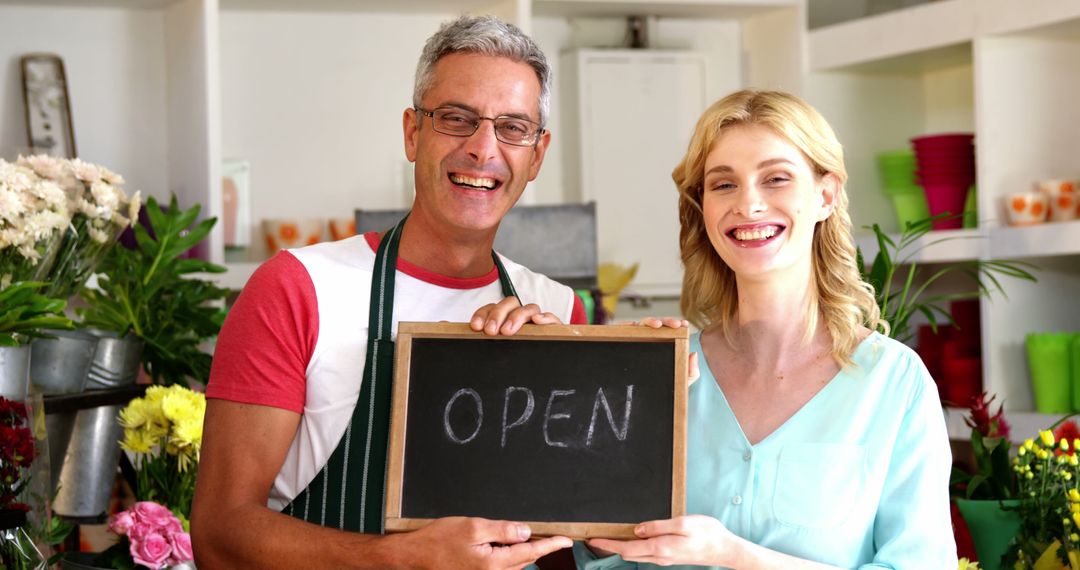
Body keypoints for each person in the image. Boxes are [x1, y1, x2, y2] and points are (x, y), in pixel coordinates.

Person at [191, 15, 585, 569]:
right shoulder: (299, 287)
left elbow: (577, 536)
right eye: (456, 118)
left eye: (513, 128)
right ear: (412, 132)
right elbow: (218, 534)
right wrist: (400, 558)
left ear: (536, 156)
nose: (483, 148)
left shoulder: (562, 311)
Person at [575, 90, 956, 569]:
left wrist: (733, 555)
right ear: (703, 208)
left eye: (776, 179)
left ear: (825, 194)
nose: (749, 205)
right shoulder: (666, 374)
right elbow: (605, 557)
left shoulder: (894, 383)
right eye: (723, 185)